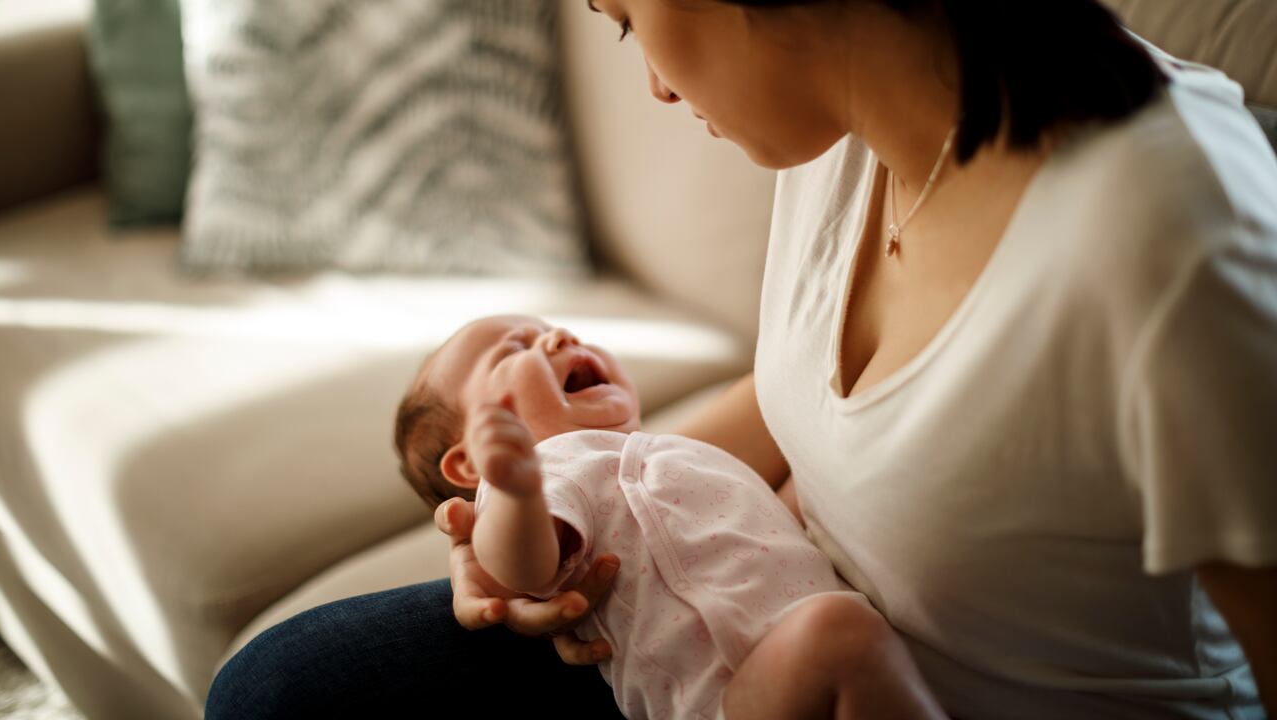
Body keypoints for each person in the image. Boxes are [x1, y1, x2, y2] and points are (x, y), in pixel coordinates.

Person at [206, 1, 1277, 718]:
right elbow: (797, 400)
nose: (659, 92)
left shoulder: (1164, 235)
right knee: (283, 687)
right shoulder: (835, 133)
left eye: (625, 21)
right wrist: (533, 520)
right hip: (763, 641)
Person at [390, 313, 944, 720]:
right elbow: (526, 569)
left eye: (555, 329)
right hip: (720, 698)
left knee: (847, 639)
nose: (561, 337)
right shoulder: (550, 472)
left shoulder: (673, 458)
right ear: (469, 461)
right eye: (514, 350)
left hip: (795, 670)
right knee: (840, 634)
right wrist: (512, 491)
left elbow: (779, 521)